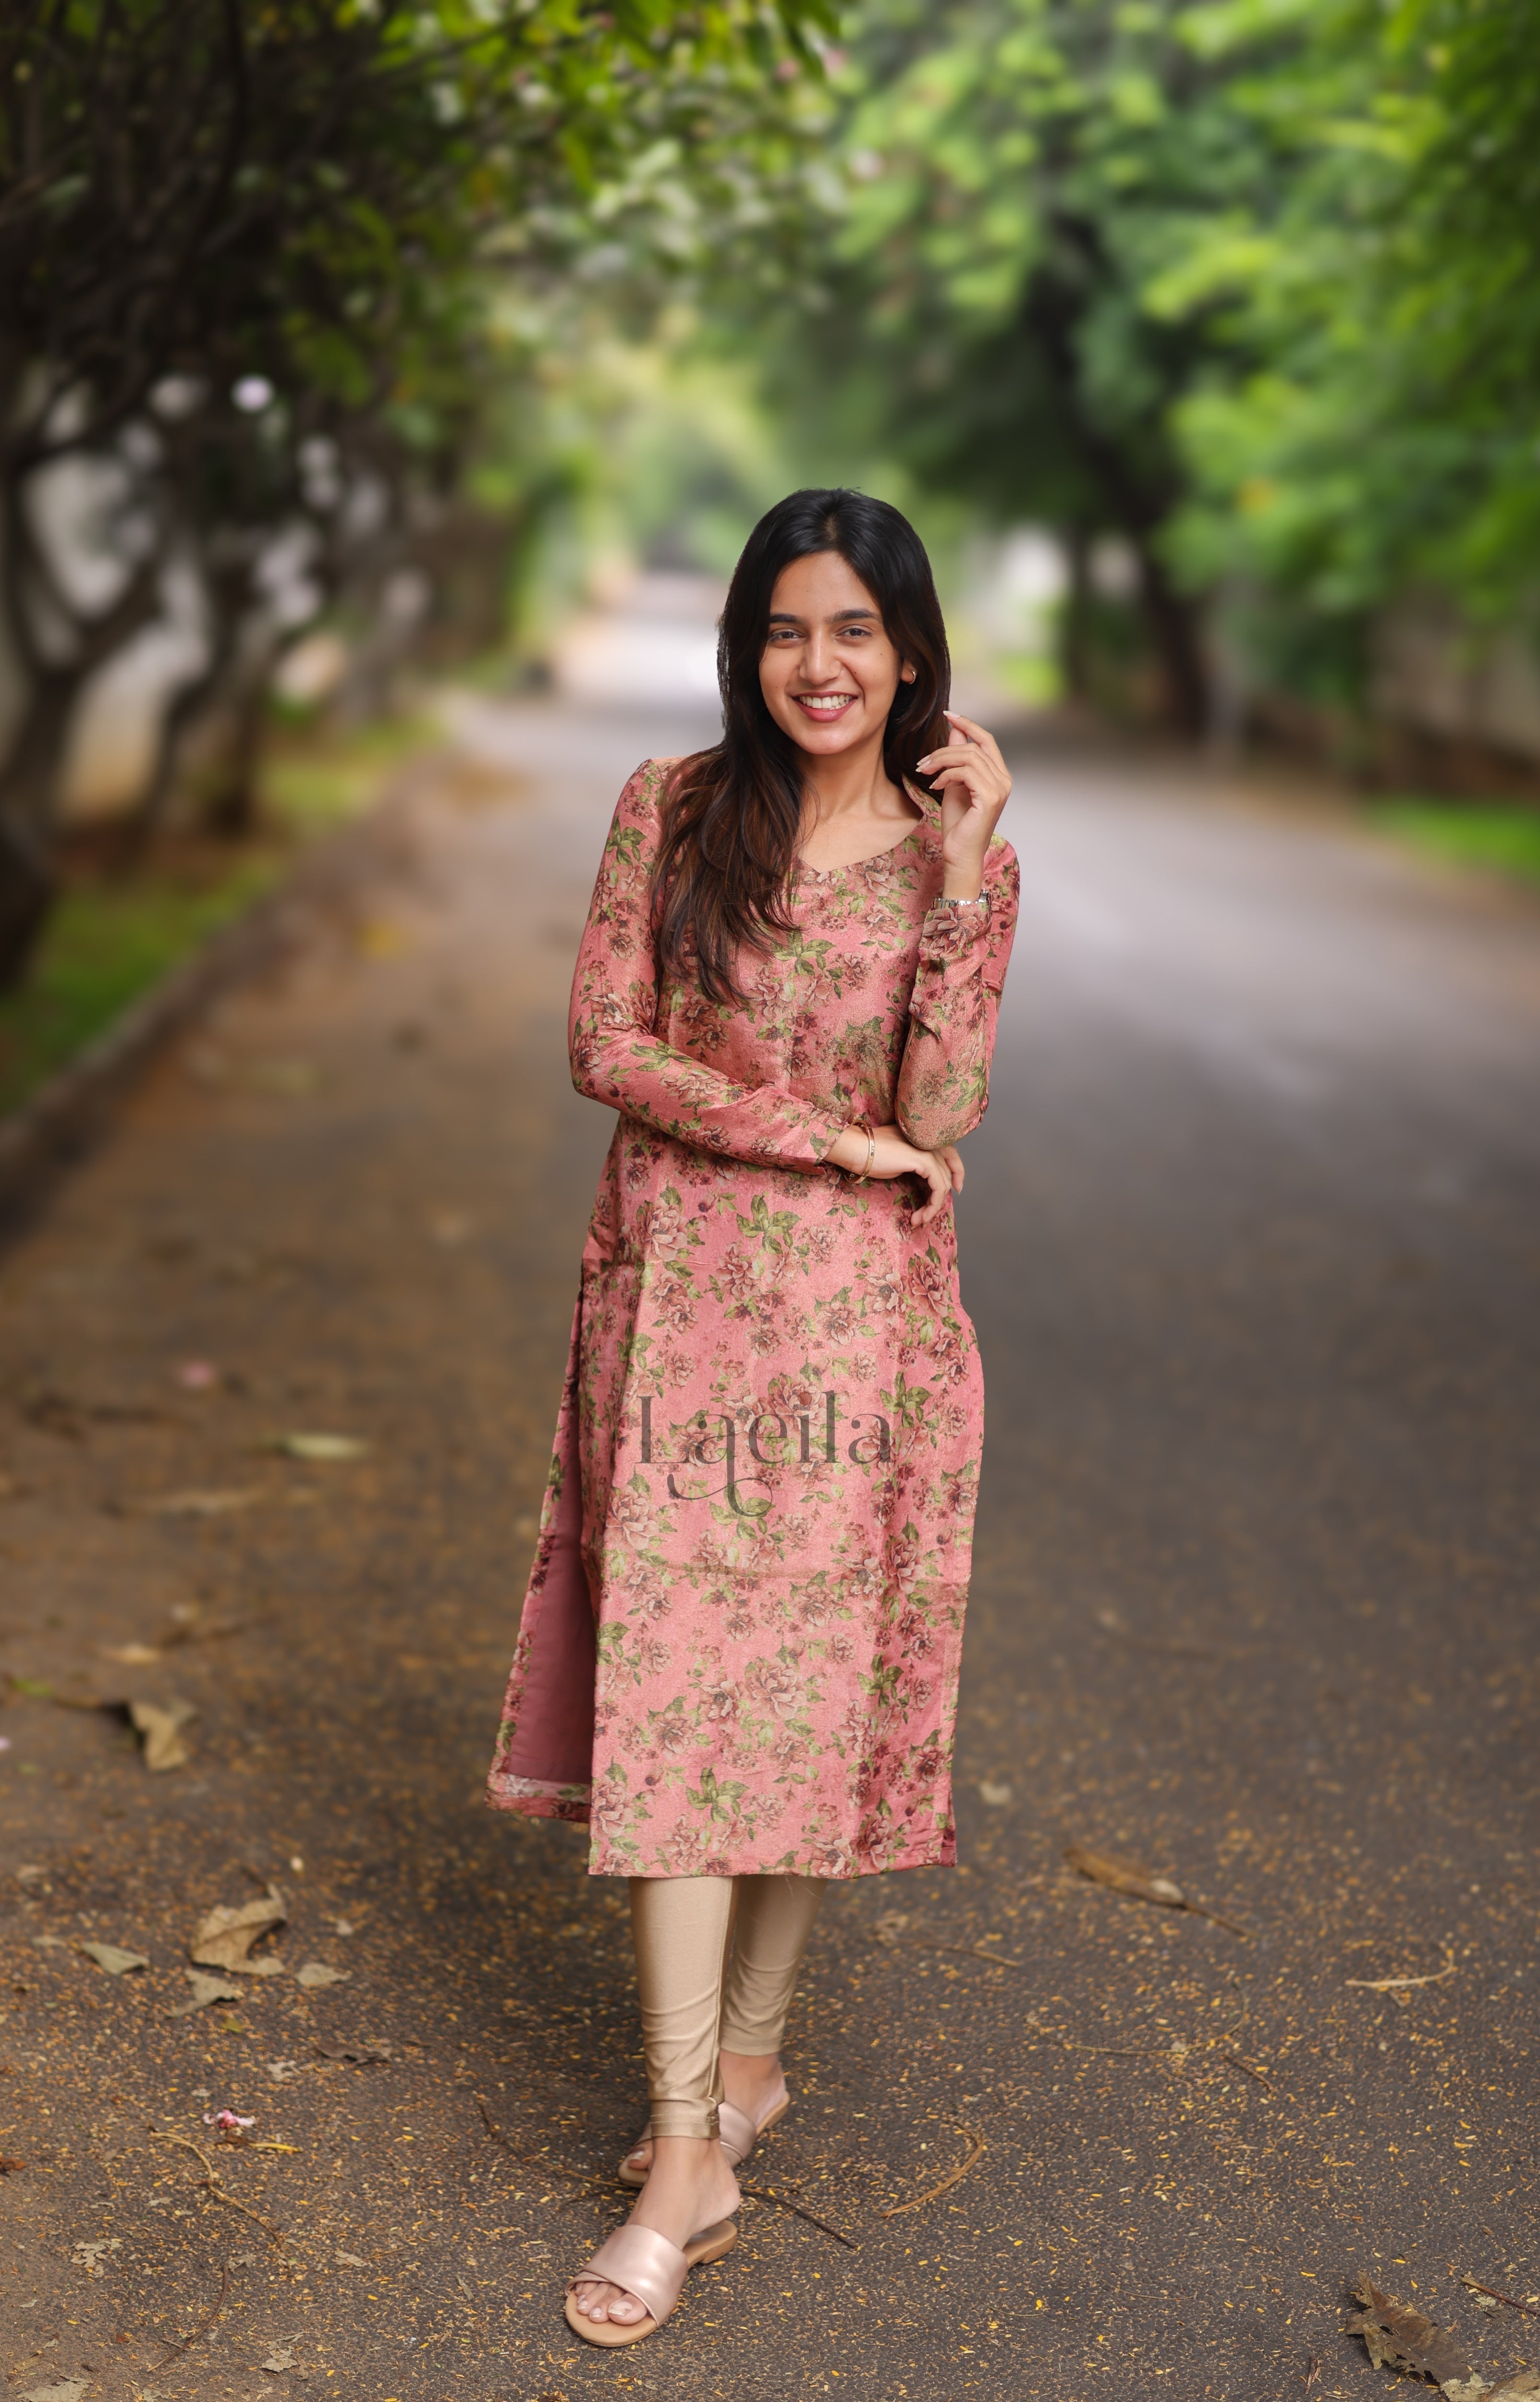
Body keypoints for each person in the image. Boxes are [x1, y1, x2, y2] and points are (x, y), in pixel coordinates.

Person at [486, 487, 1019, 2347]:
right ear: (748, 644)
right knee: (686, 1714)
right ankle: (683, 2140)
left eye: (857, 632)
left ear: (908, 652)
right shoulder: (676, 807)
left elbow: (939, 1118)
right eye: (790, 629)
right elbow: (603, 1045)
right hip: (684, 1326)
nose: (820, 664)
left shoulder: (961, 859)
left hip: (864, 1344)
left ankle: (746, 2077)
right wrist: (819, 1137)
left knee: (804, 1707)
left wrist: (966, 876)